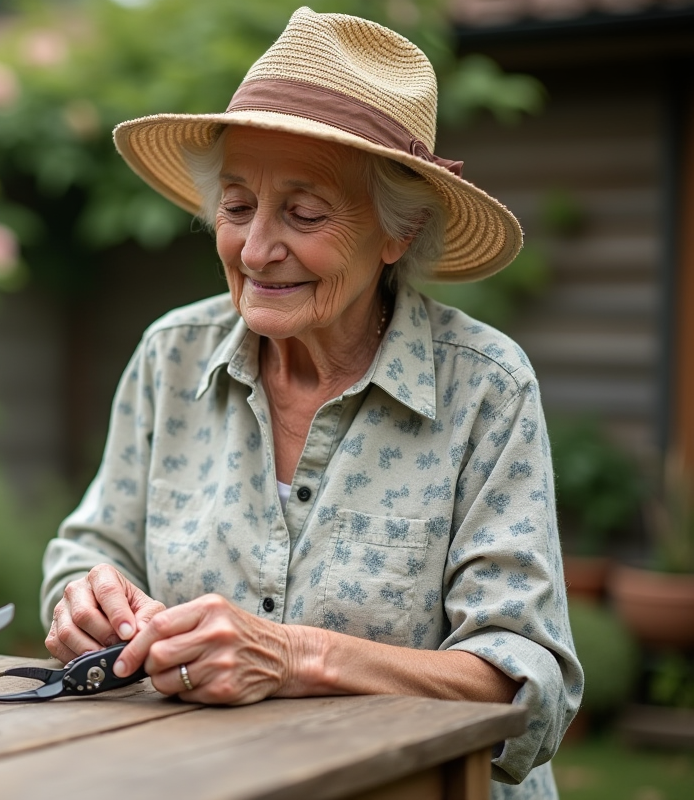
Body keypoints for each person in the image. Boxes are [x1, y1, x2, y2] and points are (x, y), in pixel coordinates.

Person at [39, 7, 581, 799]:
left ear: (401, 231)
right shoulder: (171, 356)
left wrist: (295, 656)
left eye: (304, 213)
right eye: (235, 206)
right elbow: (92, 545)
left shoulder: (485, 388)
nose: (257, 249)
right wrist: (86, 595)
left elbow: (527, 688)